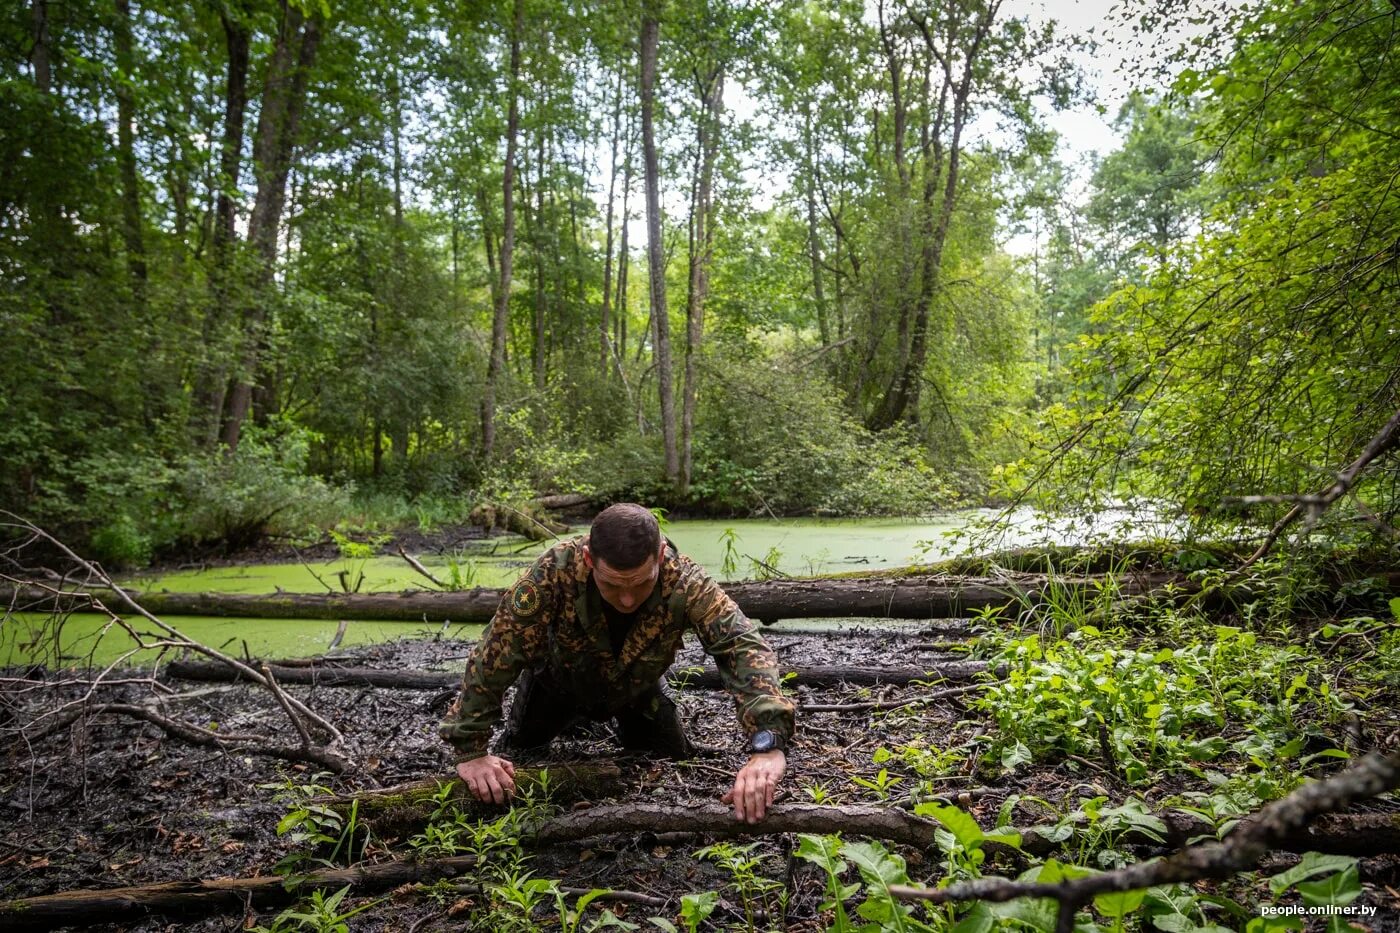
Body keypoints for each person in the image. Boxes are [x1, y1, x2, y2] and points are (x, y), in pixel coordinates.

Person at [440, 503, 795, 823]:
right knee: (522, 751)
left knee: (669, 758)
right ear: (590, 560)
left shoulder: (685, 580)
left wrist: (768, 743)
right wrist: (470, 748)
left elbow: (741, 644)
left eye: (640, 584)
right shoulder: (554, 570)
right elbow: (499, 646)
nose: (626, 599)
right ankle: (566, 723)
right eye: (612, 585)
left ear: (659, 556)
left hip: (635, 689)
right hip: (555, 686)